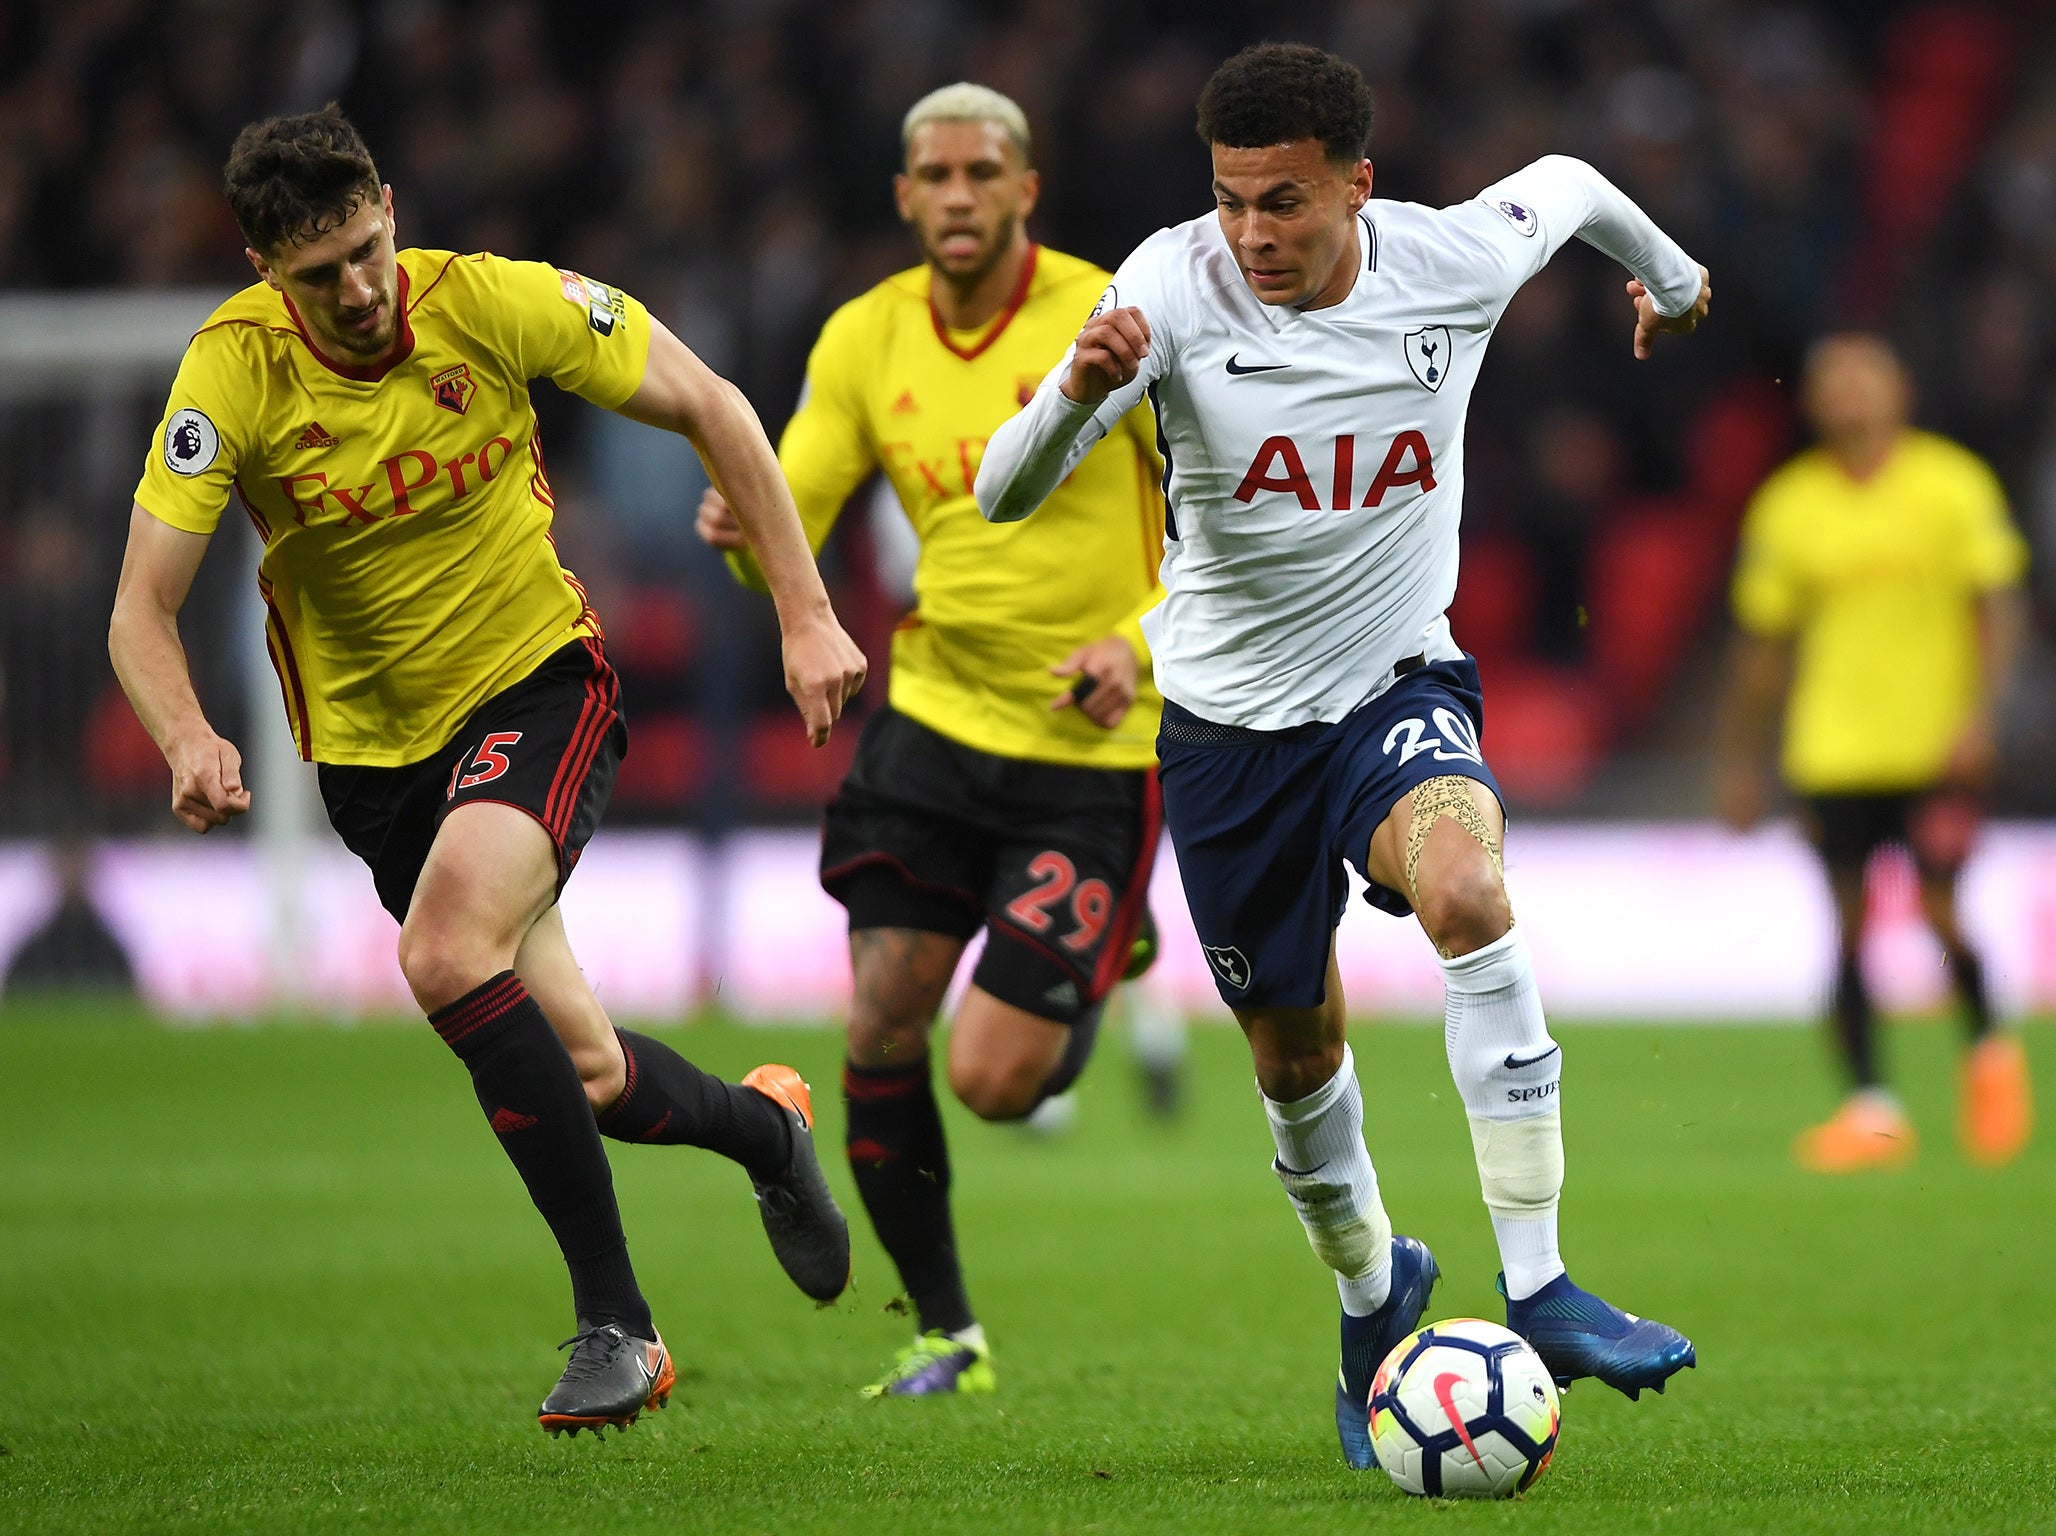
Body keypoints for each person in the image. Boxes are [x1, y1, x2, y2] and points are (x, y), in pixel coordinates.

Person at [977, 43, 1704, 1467]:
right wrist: (1074, 388)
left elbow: (1567, 183)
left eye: (1287, 204)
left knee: (1470, 897)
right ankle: (1376, 1292)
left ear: (1359, 187)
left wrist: (1673, 285)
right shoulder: (1164, 286)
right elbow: (1005, 495)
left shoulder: (1447, 264)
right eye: (1235, 202)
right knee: (1295, 1063)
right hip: (1228, 736)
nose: (1255, 235)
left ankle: (1543, 1284)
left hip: (1394, 687)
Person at [107, 106, 868, 1437]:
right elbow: (138, 612)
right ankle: (768, 1134)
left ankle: (618, 1329)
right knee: (585, 1074)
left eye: (365, 249)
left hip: (537, 685)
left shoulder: (496, 304)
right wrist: (184, 733)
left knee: (450, 952)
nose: (355, 290)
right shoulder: (228, 374)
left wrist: (804, 613)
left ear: (391, 205)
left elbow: (714, 404)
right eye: (316, 273)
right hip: (374, 764)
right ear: (259, 269)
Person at [698, 83, 1170, 1398]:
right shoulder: (863, 340)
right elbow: (785, 543)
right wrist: (748, 548)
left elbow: (1224, 526)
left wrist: (1140, 645)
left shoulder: (1116, 314)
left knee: (997, 1081)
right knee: (883, 1019)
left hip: (1096, 743)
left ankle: (1085, 964)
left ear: (1028, 186)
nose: (958, 195)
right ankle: (948, 1335)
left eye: (983, 172)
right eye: (934, 176)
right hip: (934, 720)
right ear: (903, 196)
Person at [1718, 333, 2032, 1171]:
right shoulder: (1788, 506)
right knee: (1848, 928)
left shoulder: (1951, 484)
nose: (1851, 394)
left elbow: (1998, 610)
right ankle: (1871, 1111)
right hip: (1833, 752)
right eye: (1834, 382)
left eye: (1867, 377)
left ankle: (1990, 1058)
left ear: (1902, 390)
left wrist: (1982, 716)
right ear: (1813, 403)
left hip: (1936, 749)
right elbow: (1763, 648)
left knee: (1939, 912)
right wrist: (1745, 760)